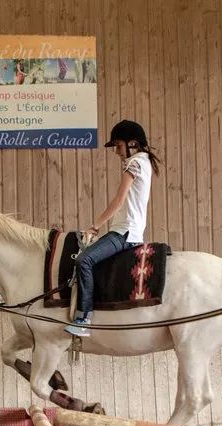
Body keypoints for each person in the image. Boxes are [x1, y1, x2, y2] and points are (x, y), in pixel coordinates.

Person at [65, 120, 161, 337]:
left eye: (118, 146)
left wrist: (94, 226)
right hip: (129, 229)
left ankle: (83, 319)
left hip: (124, 232)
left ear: (133, 143)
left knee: (84, 260)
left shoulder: (134, 163)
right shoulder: (144, 161)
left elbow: (119, 200)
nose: (117, 151)